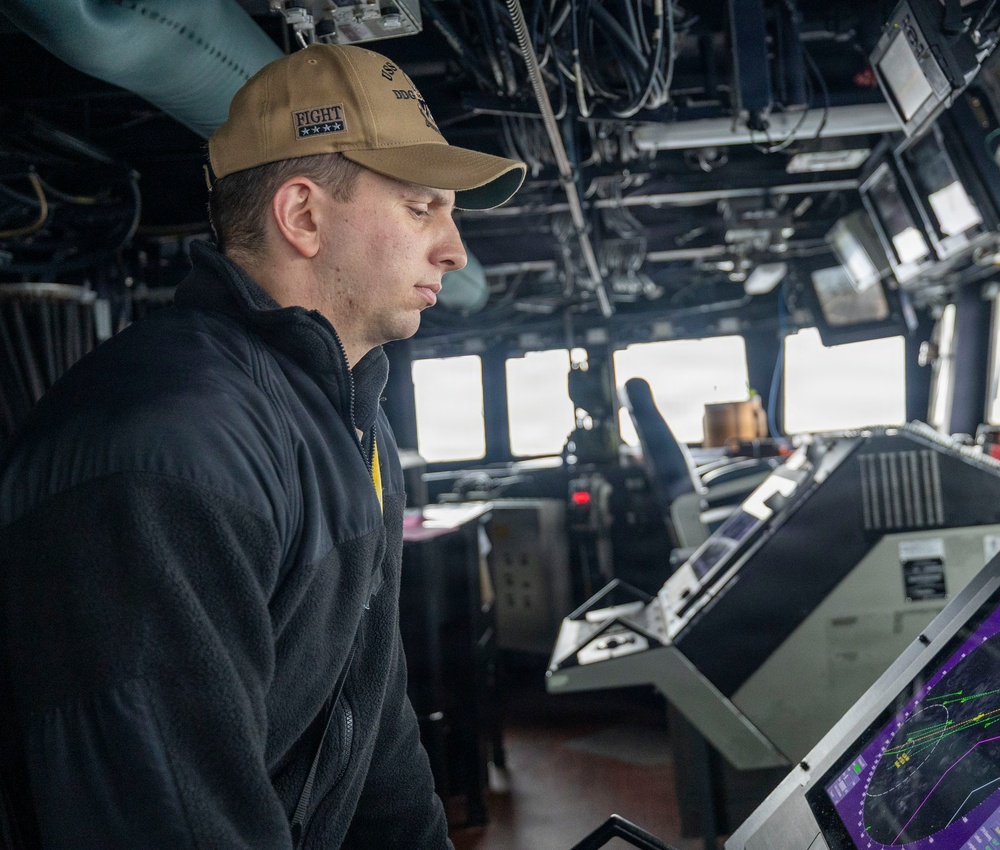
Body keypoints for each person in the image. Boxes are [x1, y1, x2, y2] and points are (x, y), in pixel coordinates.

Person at [0, 43, 525, 849]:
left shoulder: (352, 416)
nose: (454, 251)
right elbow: (169, 818)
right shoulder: (167, 446)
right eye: (422, 207)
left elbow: (374, 721)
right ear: (303, 216)